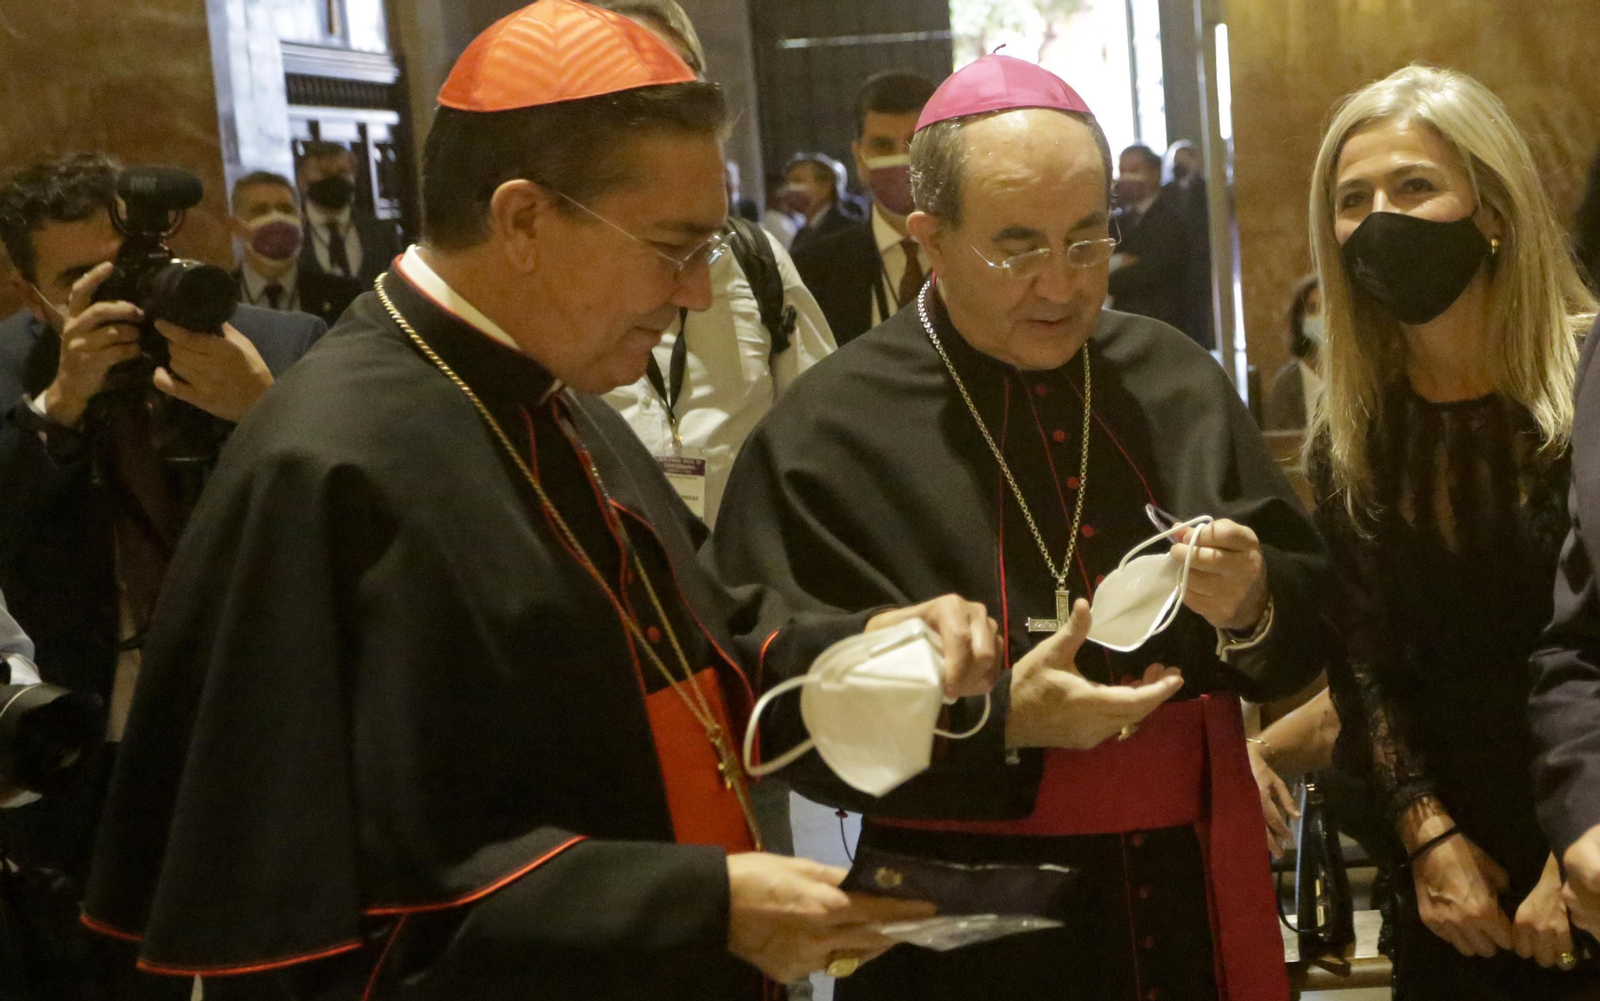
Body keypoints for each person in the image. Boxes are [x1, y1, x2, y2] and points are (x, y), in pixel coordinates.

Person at [80, 5, 1017, 997]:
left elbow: (696, 651)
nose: (699, 293)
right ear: (524, 218)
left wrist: (880, 652)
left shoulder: (550, 395)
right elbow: (361, 896)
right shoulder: (331, 466)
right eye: (673, 245)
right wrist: (697, 902)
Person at [712, 54, 1334, 1001]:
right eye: (1017, 247)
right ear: (928, 240)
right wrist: (994, 723)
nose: (1062, 285)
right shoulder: (828, 427)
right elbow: (776, 705)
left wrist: (1252, 601)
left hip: (1178, 897)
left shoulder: (1173, 378)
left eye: (1088, 241)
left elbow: (1312, 615)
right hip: (955, 923)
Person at [0, 152, 325, 1000]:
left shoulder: (280, 345)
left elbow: (365, 502)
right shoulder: (10, 375)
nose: (123, 292)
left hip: (261, 729)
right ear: (30, 291)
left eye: (133, 263)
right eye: (82, 277)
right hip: (89, 748)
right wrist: (55, 412)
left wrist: (263, 407)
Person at [1307, 66, 1598, 998]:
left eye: (1415, 186)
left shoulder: (1590, 382)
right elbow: (1365, 667)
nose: (1379, 216)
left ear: (1494, 209)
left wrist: (1581, 840)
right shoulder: (1352, 435)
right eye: (1353, 200)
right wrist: (1428, 837)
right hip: (1449, 872)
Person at [792, 71, 938, 346]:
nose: (900, 158)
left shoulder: (978, 255)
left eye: (914, 143)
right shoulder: (813, 269)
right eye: (882, 146)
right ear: (859, 157)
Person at [229, 170, 362, 327]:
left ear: (302, 221)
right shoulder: (214, 297)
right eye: (260, 211)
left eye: (286, 209)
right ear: (236, 227)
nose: (276, 218)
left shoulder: (344, 294)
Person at [1107, 143, 1196, 342]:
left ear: (1155, 173)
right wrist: (1121, 262)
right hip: (1124, 327)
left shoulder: (1171, 218)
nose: (1127, 178)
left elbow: (1154, 270)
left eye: (1135, 170)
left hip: (1161, 327)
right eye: (1123, 171)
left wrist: (1114, 272)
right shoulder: (1118, 221)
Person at [296, 140, 404, 288]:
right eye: (324, 173)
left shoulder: (382, 233)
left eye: (342, 172)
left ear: (354, 175)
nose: (333, 180)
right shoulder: (292, 231)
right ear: (302, 180)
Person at [1264, 275, 1323, 430]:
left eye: (1326, 309)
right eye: (1312, 309)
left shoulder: (1356, 377)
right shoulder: (1286, 383)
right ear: (1299, 318)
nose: (1320, 317)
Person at [782, 152, 857, 254]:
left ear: (825, 186)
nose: (789, 188)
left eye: (798, 181)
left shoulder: (847, 229)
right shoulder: (802, 233)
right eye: (788, 182)